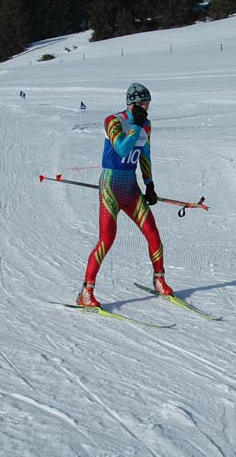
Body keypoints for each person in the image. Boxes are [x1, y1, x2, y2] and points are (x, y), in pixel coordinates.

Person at [76, 83, 174, 307]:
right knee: (107, 239)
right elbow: (121, 148)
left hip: (130, 186)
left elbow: (145, 154)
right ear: (132, 104)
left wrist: (149, 184)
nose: (147, 107)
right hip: (110, 184)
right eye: (144, 103)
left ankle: (159, 280)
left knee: (152, 233)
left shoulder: (146, 125)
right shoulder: (113, 120)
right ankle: (86, 291)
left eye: (148, 103)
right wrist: (136, 126)